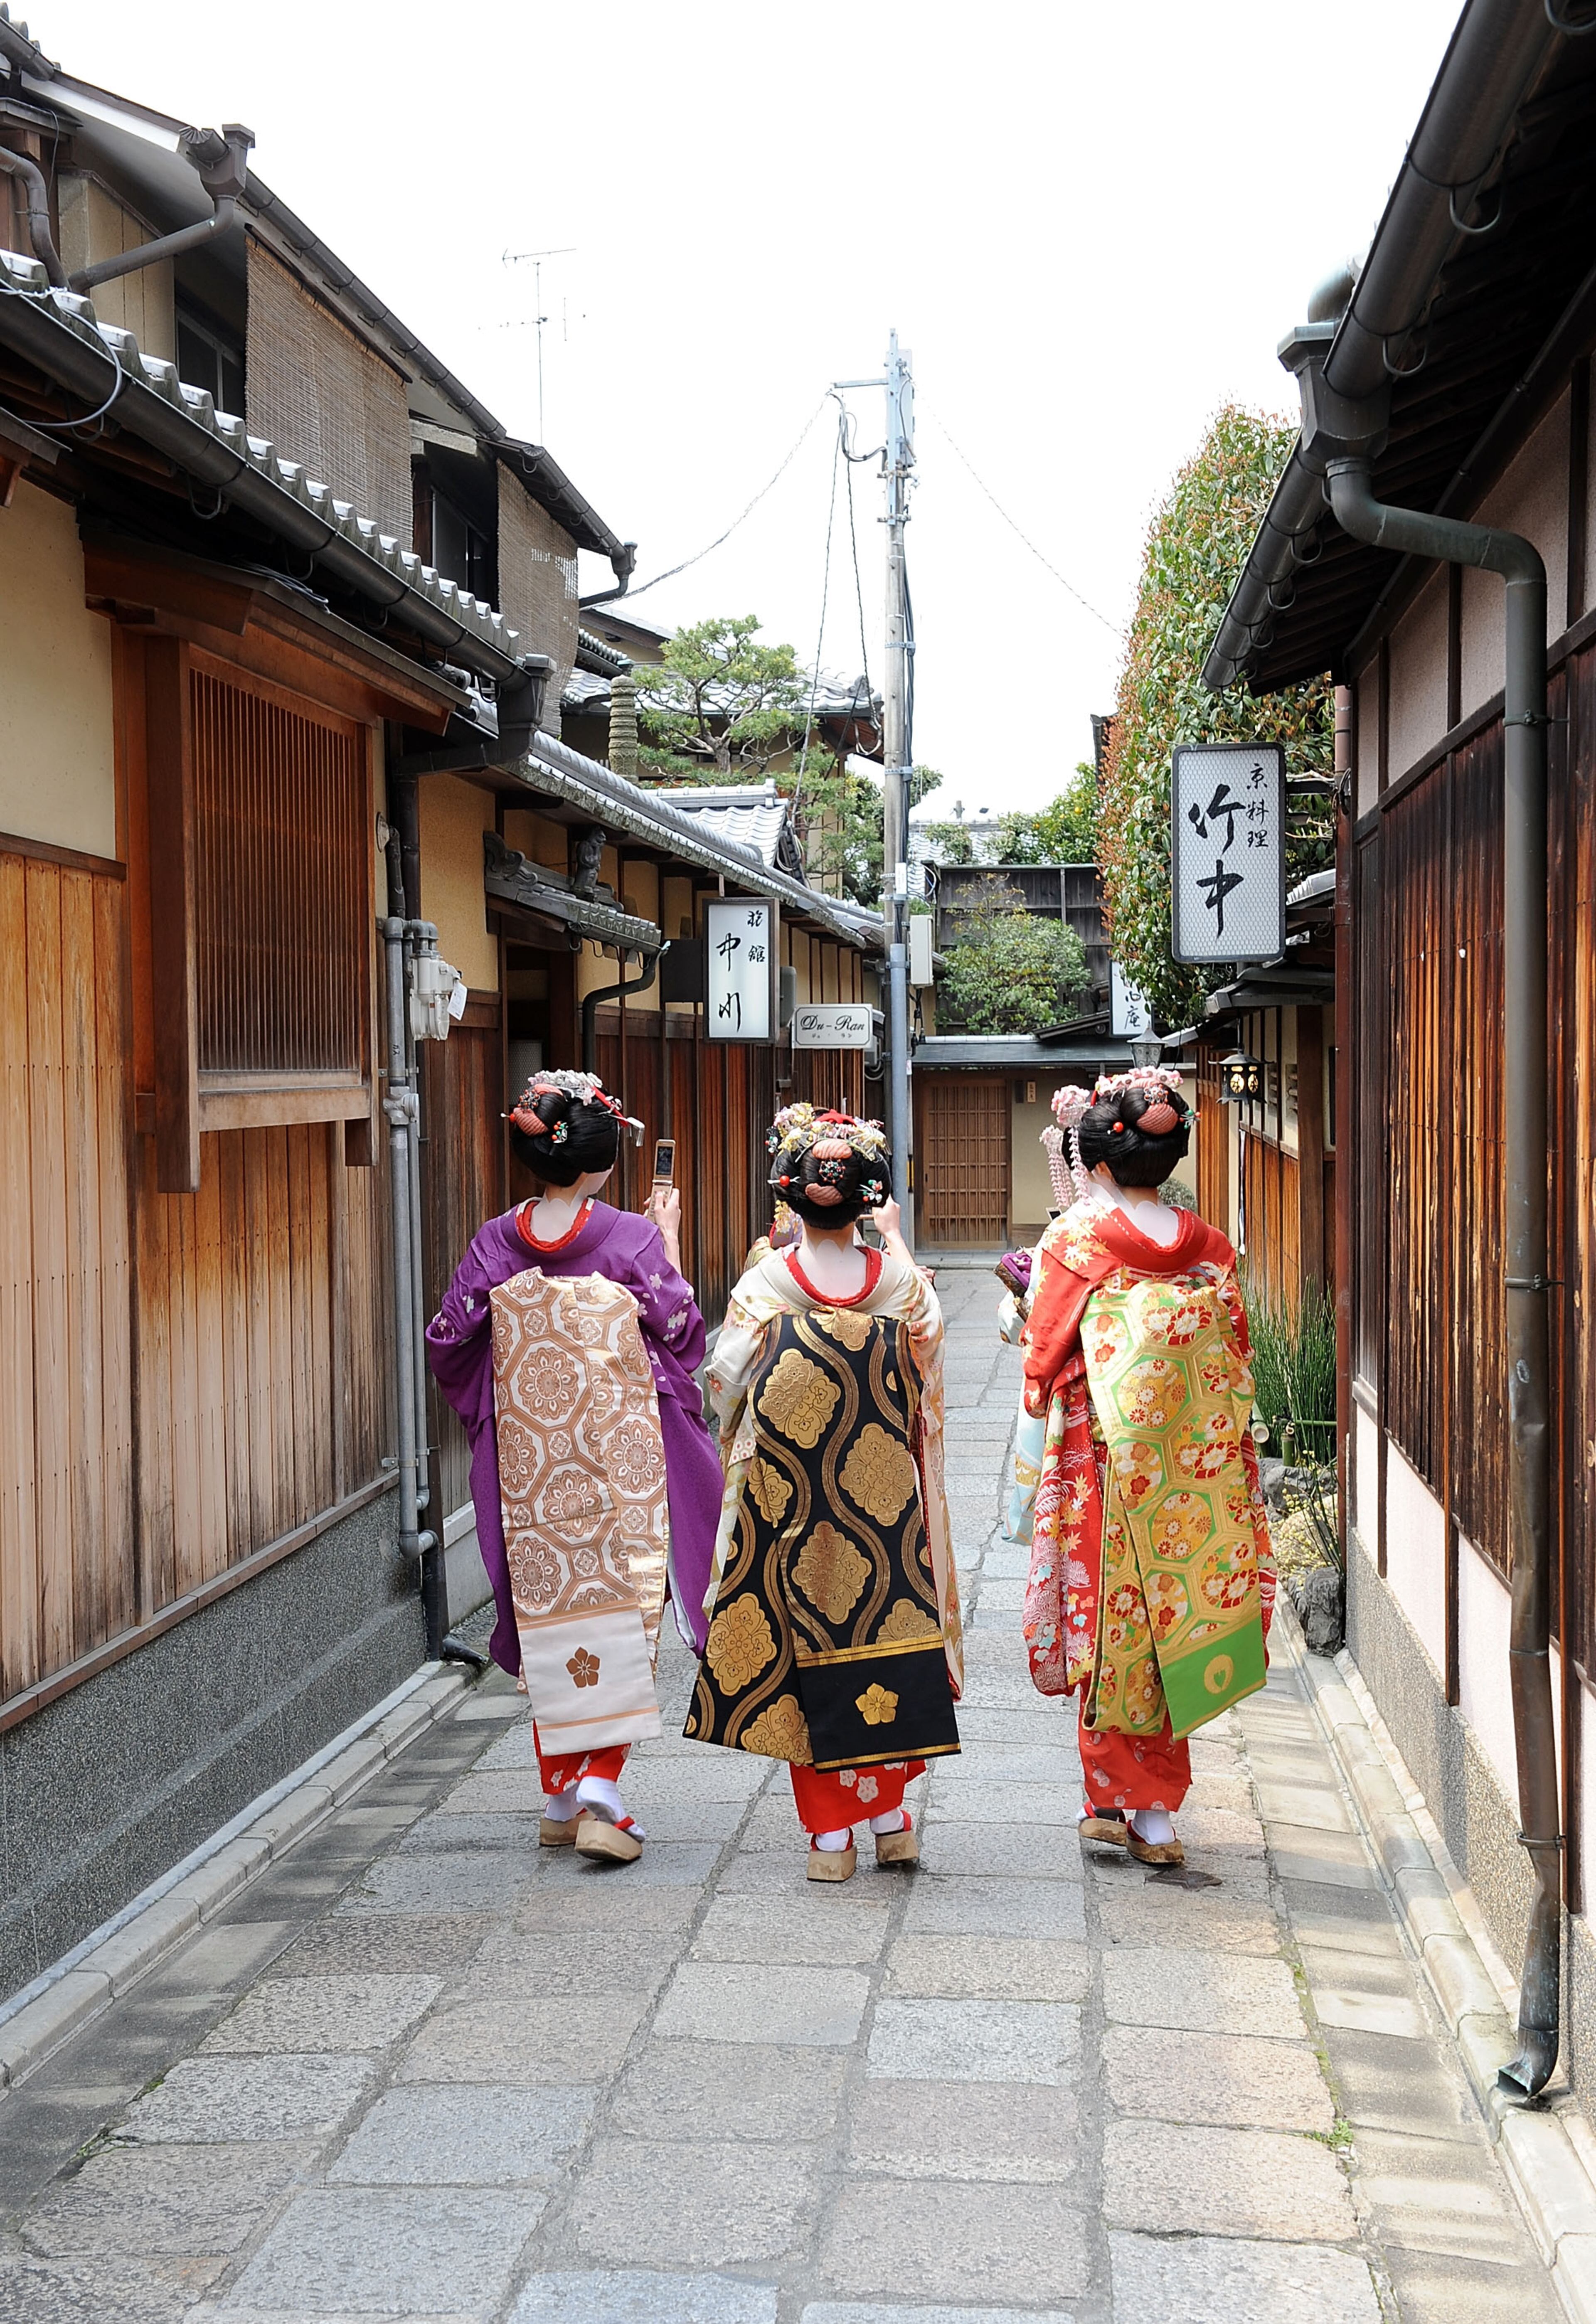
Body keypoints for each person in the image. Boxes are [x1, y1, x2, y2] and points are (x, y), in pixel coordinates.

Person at [426, 1070, 724, 1864]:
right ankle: (601, 1789)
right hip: (624, 1449)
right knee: (622, 1599)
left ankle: (559, 1790)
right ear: (600, 1163)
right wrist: (669, 1238)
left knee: (547, 1593)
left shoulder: (496, 1240)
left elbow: (449, 1340)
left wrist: (507, 1391)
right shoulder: (629, 1237)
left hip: (532, 1450)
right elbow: (682, 1330)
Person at [686, 1104, 963, 1882]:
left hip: (791, 1498)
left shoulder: (766, 1284)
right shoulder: (900, 1286)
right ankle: (890, 1819)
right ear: (869, 1199)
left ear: (789, 1197)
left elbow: (725, 1384)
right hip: (883, 1501)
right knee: (885, 1623)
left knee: (802, 1635)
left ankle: (830, 1842)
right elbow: (928, 1367)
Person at [1020, 1071, 1275, 1867]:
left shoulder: (1077, 1243)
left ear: (1096, 1162)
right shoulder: (1207, 1247)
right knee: (1181, 1607)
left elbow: (1044, 1352)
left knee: (1112, 1617)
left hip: (1103, 1460)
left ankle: (1110, 1797)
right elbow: (1234, 1352)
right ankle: (1154, 1814)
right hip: (1194, 1470)